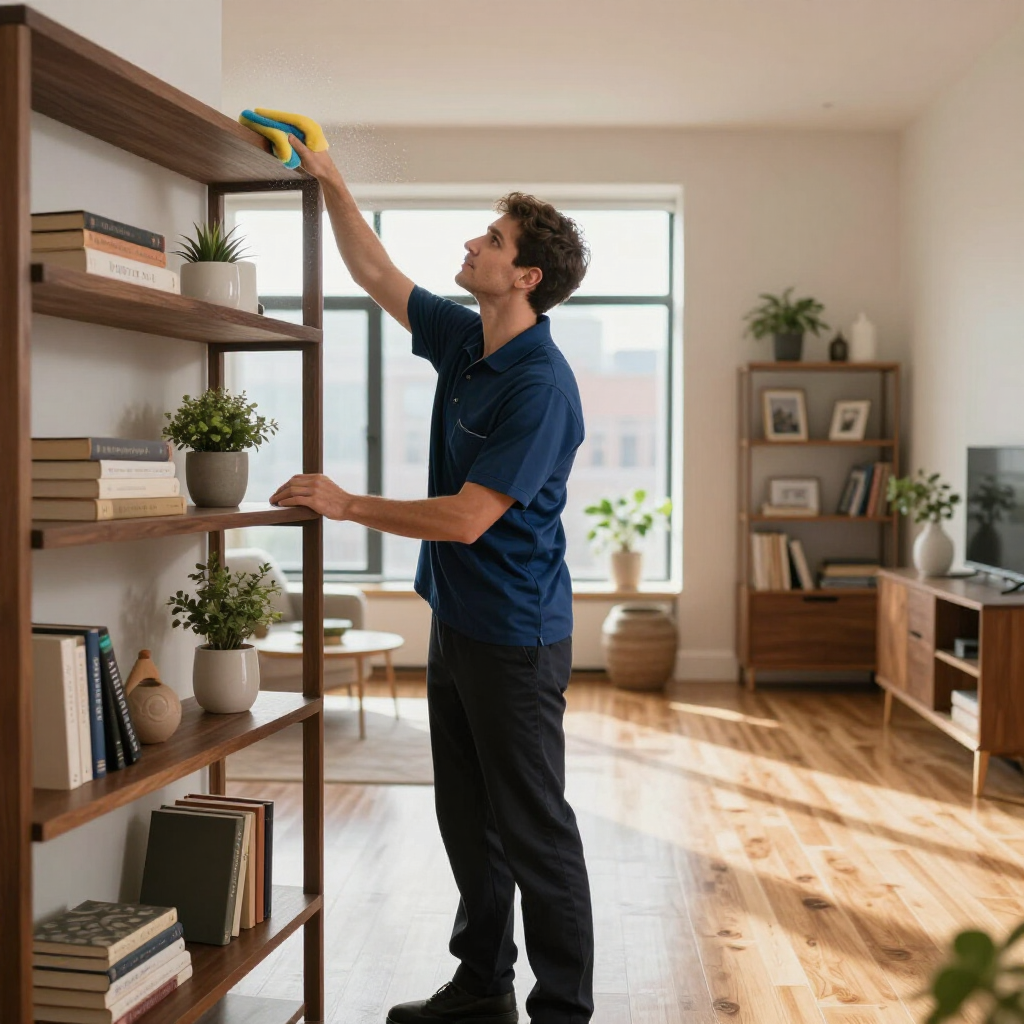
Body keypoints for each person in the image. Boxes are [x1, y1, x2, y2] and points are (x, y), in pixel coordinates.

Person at [271, 134, 594, 1024]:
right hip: (459, 619)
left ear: (525, 275)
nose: (472, 245)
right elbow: (376, 273)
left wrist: (345, 503)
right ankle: (483, 985)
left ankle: (564, 1012)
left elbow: (466, 516)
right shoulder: (465, 339)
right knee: (467, 821)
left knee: (533, 830)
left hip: (518, 637)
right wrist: (331, 175)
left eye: (490, 239)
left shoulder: (541, 384)